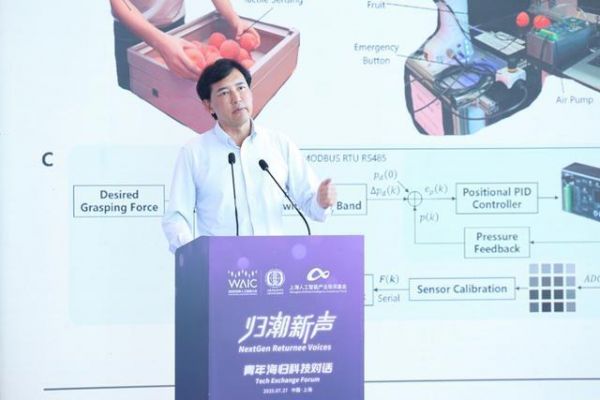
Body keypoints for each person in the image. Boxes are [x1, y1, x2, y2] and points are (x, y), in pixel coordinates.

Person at [162, 59, 336, 253]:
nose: (237, 98)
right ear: (208, 105)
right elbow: (176, 217)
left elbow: (313, 207)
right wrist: (191, 254)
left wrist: (321, 201)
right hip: (221, 265)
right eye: (224, 92)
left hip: (275, 263)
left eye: (241, 88)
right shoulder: (194, 152)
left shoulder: (279, 144)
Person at [110, 0, 260, 89]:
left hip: (175, 26)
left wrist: (233, 18)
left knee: (177, 95)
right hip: (131, 29)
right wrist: (160, 42)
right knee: (135, 93)